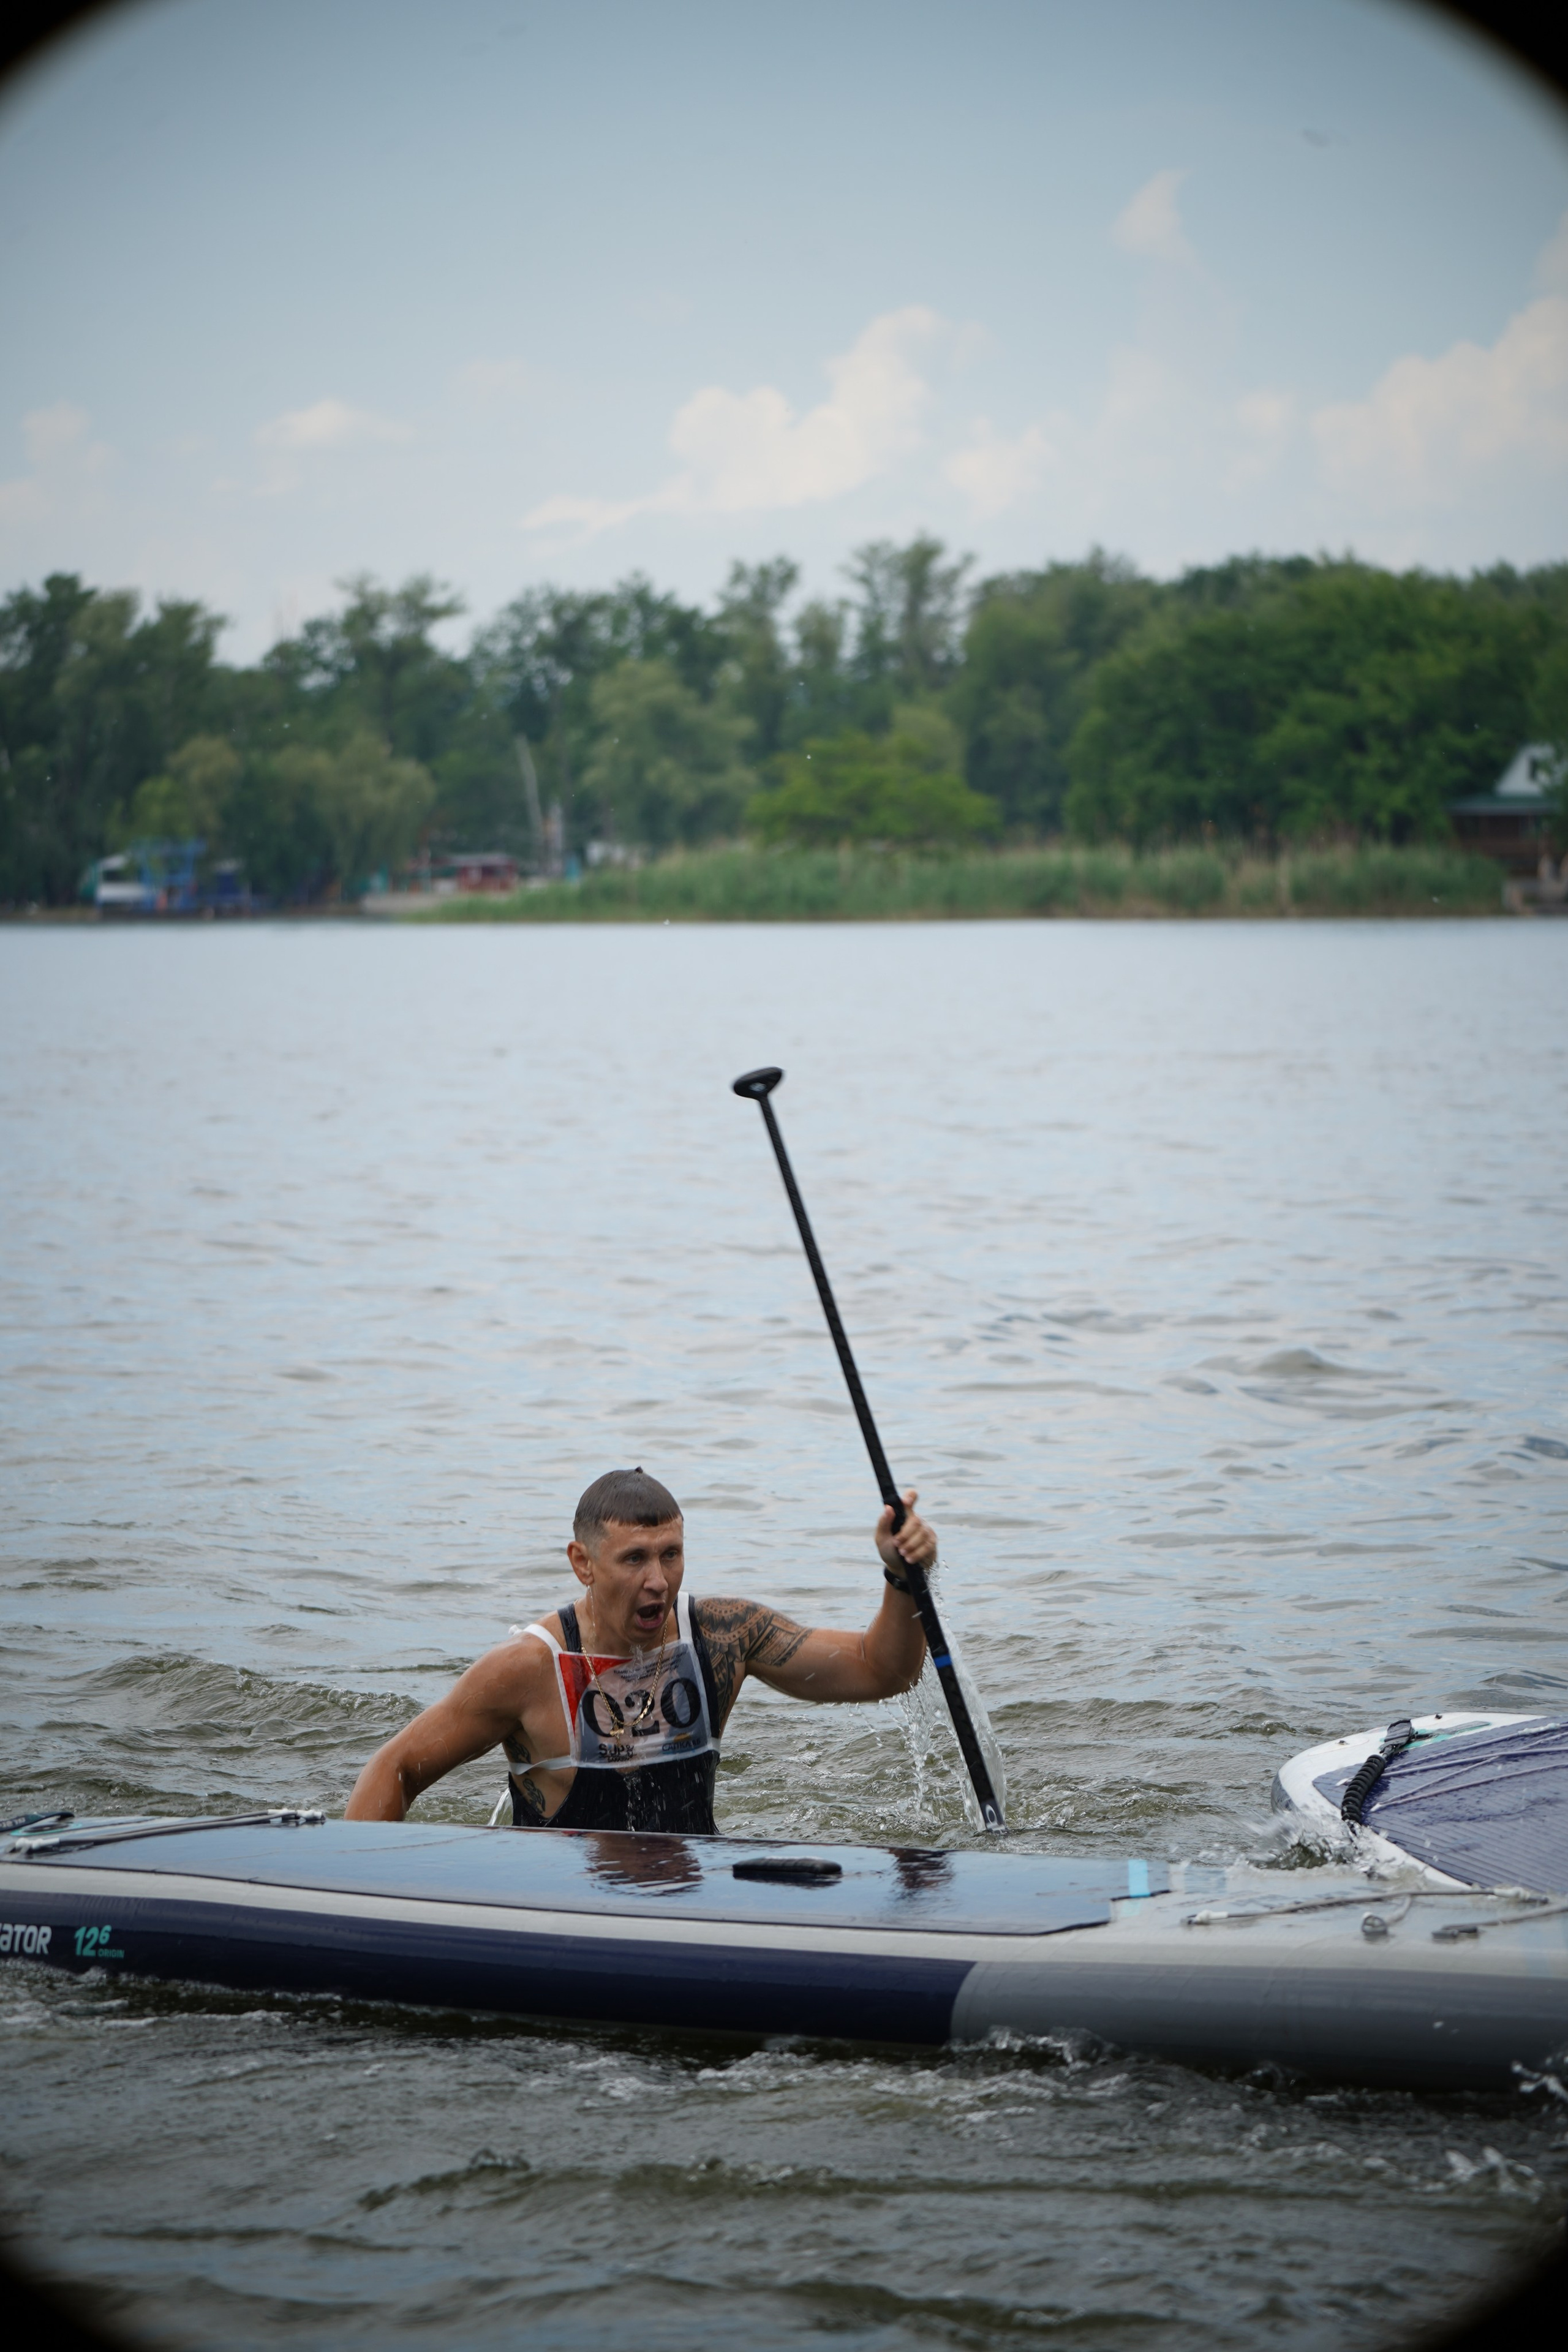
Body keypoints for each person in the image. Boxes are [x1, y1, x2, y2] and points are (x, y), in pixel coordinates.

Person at [345, 1465, 937, 1834]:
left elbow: (881, 1671)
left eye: (671, 1554)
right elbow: (395, 1768)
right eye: (635, 1559)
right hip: (558, 1916)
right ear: (583, 1563)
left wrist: (900, 1576)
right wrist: (359, 1897)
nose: (658, 1580)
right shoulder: (526, 1670)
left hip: (688, 1894)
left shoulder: (724, 1635)